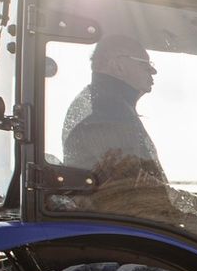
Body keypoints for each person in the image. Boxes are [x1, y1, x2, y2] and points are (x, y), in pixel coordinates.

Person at [62, 36, 164, 182]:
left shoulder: (101, 101)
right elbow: (135, 184)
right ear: (118, 66)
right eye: (145, 64)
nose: (153, 71)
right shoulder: (108, 109)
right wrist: (196, 201)